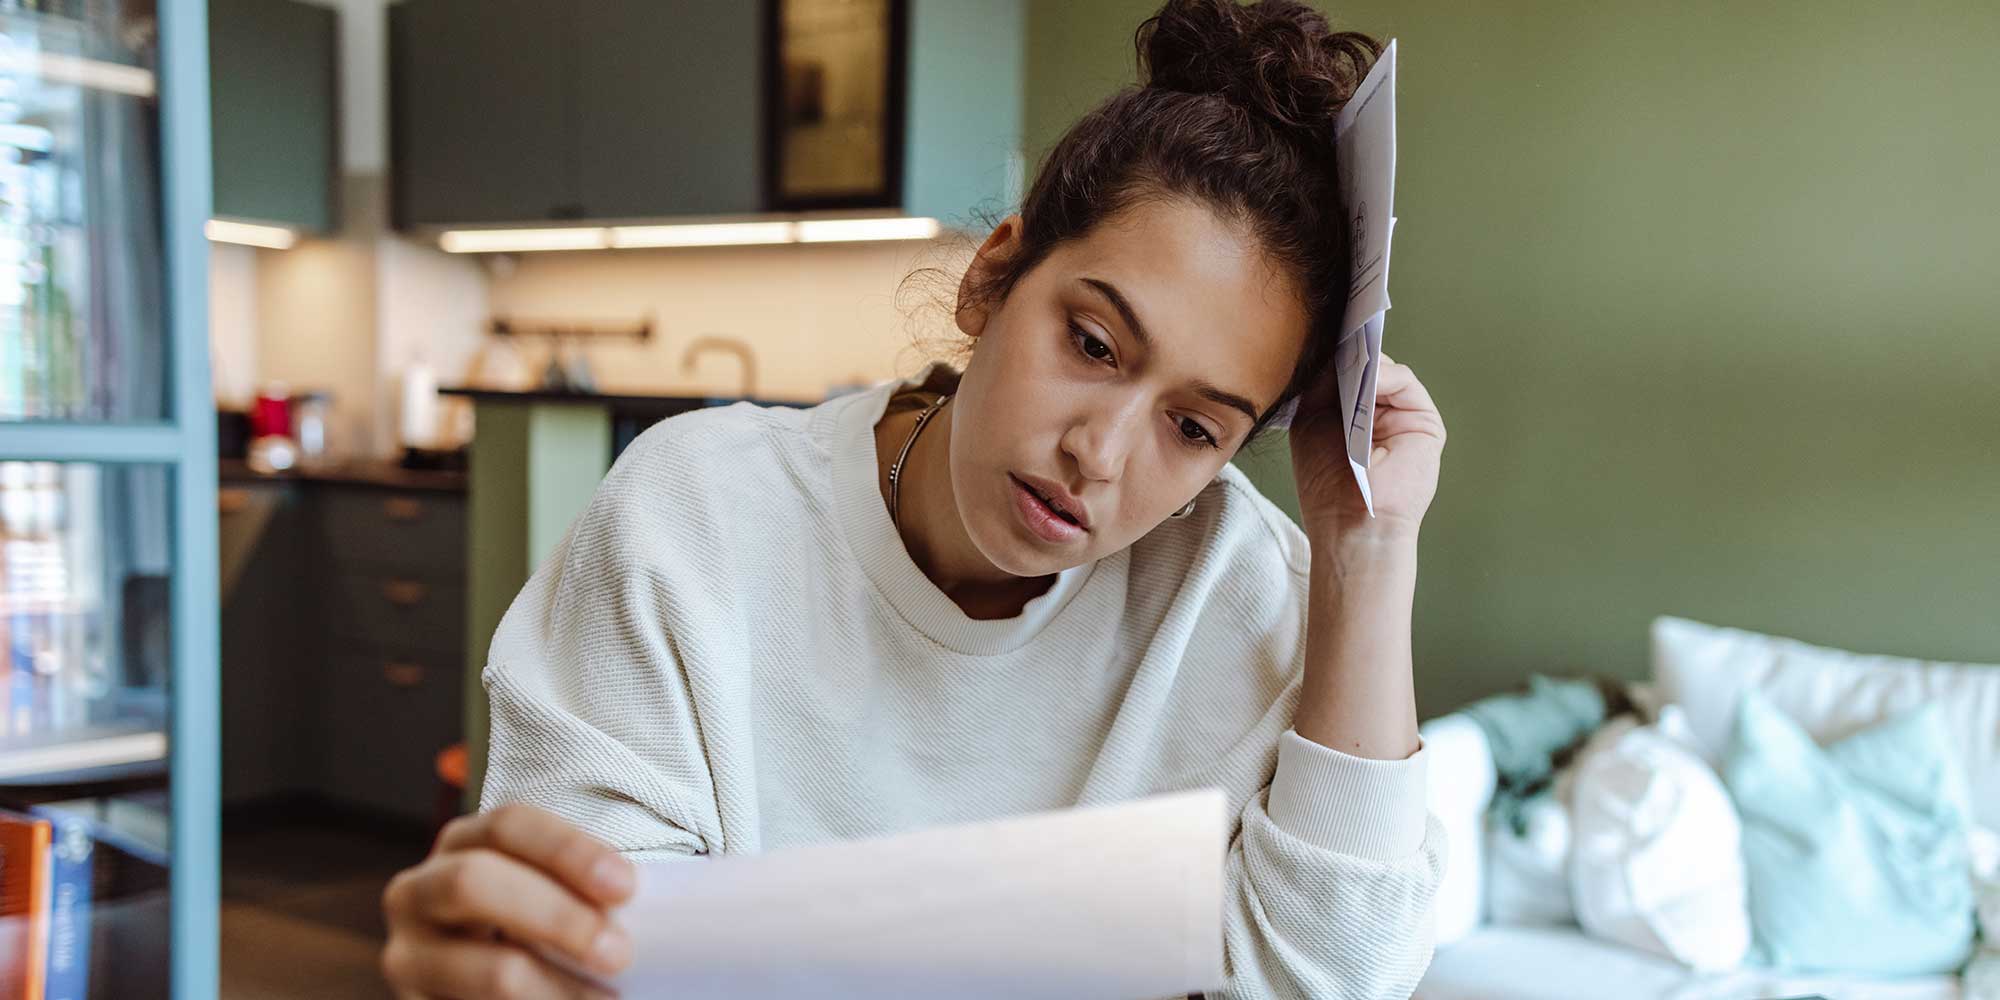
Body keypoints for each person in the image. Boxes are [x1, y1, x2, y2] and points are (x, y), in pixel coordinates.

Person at [380, 1, 1448, 996]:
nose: (1100, 454)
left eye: (1193, 427)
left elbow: (1338, 973)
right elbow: (590, 955)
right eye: (1090, 342)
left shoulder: (1242, 590)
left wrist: (1366, 548)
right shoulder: (691, 516)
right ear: (994, 275)